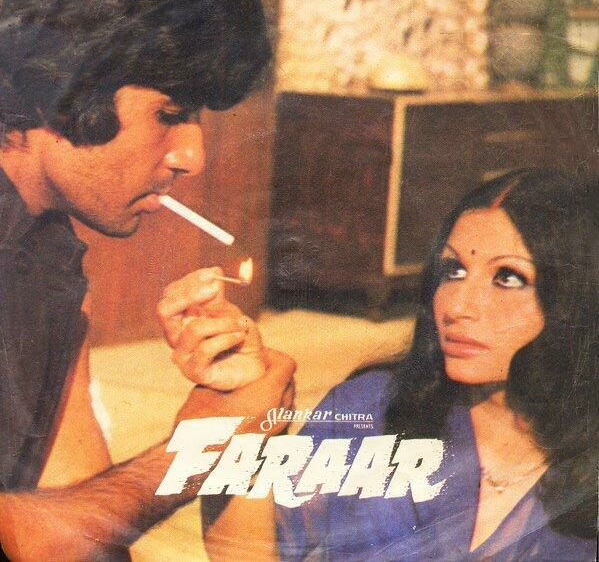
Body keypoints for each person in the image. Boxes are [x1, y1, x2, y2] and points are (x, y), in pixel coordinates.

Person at [0, 0, 294, 559]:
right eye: (170, 113)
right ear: (64, 83)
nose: (192, 157)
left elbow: (73, 530)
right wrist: (195, 451)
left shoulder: (47, 250)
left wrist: (237, 417)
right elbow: (20, 537)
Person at [193, 168, 597, 560]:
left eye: (507, 277)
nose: (457, 306)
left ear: (577, 298)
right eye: (454, 270)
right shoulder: (370, 412)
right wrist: (242, 412)